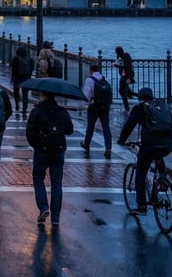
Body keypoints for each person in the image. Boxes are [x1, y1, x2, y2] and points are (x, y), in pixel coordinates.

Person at [117, 87, 172, 216]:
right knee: (159, 155)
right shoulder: (162, 107)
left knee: (141, 173)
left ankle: (141, 206)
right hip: (167, 143)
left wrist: (121, 140)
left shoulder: (139, 108)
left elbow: (129, 126)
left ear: (140, 98)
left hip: (149, 145)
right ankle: (163, 178)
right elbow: (170, 123)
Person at [26, 91, 74, 226]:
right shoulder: (62, 111)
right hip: (58, 151)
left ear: (44, 95)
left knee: (38, 178)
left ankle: (43, 207)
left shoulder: (37, 111)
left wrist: (37, 145)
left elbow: (29, 131)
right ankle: (56, 217)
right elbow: (70, 130)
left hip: (42, 150)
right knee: (57, 183)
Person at [80, 64, 113, 158]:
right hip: (105, 106)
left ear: (91, 70)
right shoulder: (104, 79)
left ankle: (86, 144)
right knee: (106, 127)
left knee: (90, 125)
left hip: (94, 106)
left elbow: (86, 95)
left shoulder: (89, 80)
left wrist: (86, 103)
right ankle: (108, 148)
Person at [10, 46, 34, 118]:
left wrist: (12, 78)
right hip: (26, 78)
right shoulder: (30, 59)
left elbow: (13, 69)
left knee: (16, 92)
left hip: (17, 77)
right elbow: (32, 69)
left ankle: (17, 104)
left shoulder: (16, 59)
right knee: (25, 94)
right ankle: (24, 108)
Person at [113, 46, 138, 110]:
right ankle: (142, 97)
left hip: (126, 77)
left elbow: (128, 67)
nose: (116, 54)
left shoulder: (126, 57)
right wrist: (117, 63)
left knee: (122, 91)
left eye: (117, 53)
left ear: (119, 52)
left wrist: (129, 78)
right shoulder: (123, 57)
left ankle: (127, 107)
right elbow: (122, 65)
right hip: (123, 76)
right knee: (127, 92)